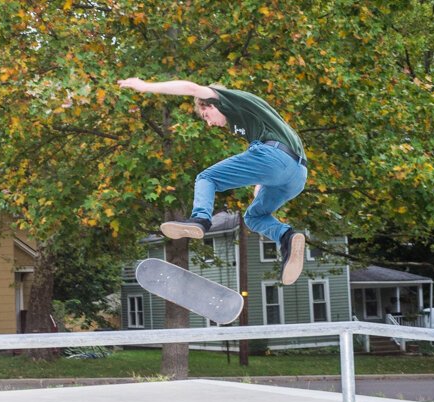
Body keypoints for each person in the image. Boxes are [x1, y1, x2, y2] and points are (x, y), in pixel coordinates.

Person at [117, 78, 308, 285]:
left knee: (206, 178)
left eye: (207, 115)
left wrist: (145, 87)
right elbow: (276, 153)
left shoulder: (227, 100)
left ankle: (200, 220)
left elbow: (191, 88)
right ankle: (287, 237)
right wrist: (261, 185)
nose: (209, 123)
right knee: (254, 217)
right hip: (297, 175)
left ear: (211, 104)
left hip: (275, 159)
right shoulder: (253, 116)